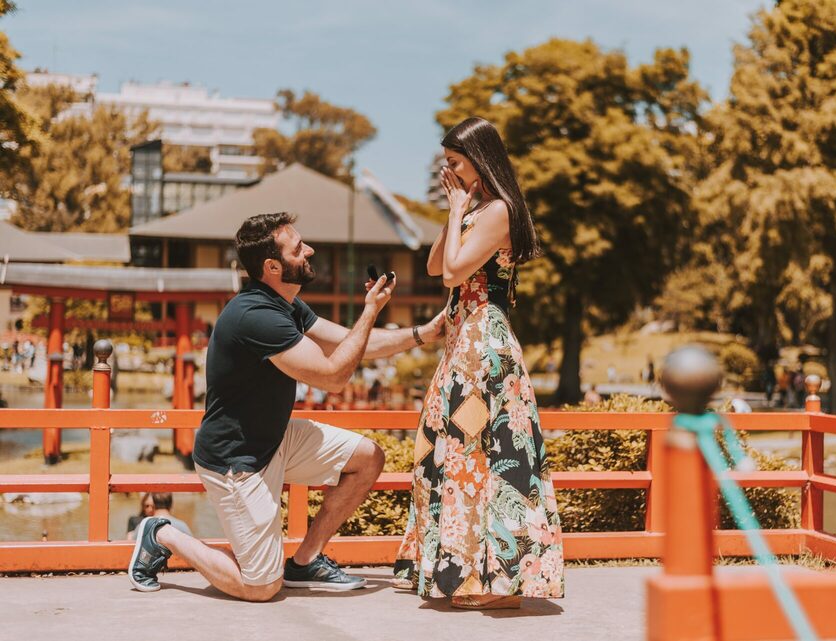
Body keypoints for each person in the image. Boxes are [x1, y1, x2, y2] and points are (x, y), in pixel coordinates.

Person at [128, 212, 445, 602]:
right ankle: (161, 533)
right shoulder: (256, 317)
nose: (309, 250)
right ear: (272, 267)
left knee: (368, 458)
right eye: (298, 249)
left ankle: (305, 561)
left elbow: (349, 341)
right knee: (261, 586)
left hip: (274, 438)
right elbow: (333, 376)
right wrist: (370, 310)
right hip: (236, 459)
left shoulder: (285, 306)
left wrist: (423, 334)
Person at [393, 117, 564, 609]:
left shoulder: (499, 210)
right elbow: (434, 265)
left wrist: (457, 211)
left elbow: (451, 273)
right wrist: (455, 213)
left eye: (454, 162)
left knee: (480, 452)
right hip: (461, 339)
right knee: (446, 447)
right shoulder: (474, 210)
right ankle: (459, 572)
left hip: (482, 341)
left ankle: (494, 582)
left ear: (478, 159)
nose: (447, 170)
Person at [126, 493, 192, 539]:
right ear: (171, 505)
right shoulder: (182, 526)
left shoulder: (141, 527)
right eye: (147, 506)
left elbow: (131, 548)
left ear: (154, 505)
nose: (149, 509)